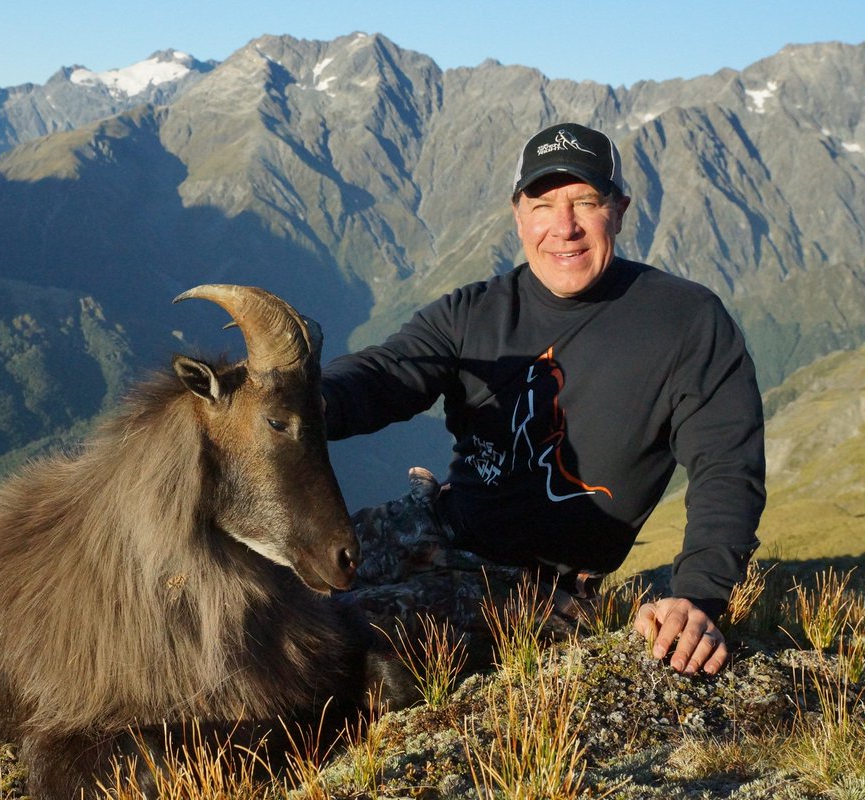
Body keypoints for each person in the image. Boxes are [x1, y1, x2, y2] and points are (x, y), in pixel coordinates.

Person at [323, 122, 766, 676]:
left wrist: (698, 598)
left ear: (621, 209)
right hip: (434, 524)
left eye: (586, 201)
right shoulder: (475, 311)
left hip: (538, 593)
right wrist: (306, 401)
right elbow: (385, 373)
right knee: (248, 583)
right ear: (517, 214)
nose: (565, 227)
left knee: (330, 638)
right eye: (543, 204)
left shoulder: (688, 323)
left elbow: (728, 468)